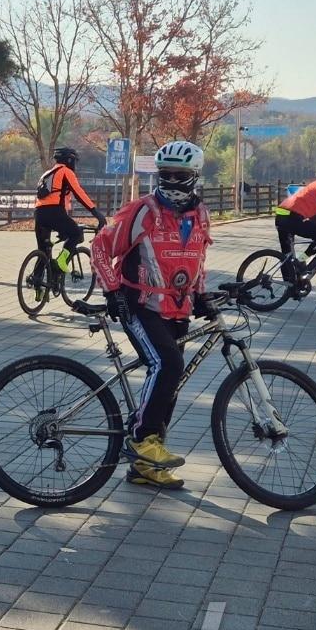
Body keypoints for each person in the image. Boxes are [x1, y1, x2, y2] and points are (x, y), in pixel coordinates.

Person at [90, 141, 212, 491]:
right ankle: (141, 439)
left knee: (171, 383)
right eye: (165, 174)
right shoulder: (142, 211)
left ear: (195, 177)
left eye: (181, 175)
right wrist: (114, 293)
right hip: (139, 305)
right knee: (168, 366)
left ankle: (146, 467)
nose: (172, 181)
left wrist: (202, 296)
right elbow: (100, 247)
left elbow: (197, 259)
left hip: (178, 309)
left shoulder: (200, 214)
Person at [31, 147, 106, 287]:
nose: (75, 165)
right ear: (70, 160)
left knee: (44, 250)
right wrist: (97, 213)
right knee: (76, 234)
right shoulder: (66, 172)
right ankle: (61, 261)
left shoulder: (46, 174)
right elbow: (79, 193)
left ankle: (37, 283)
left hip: (39, 213)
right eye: (74, 162)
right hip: (54, 212)